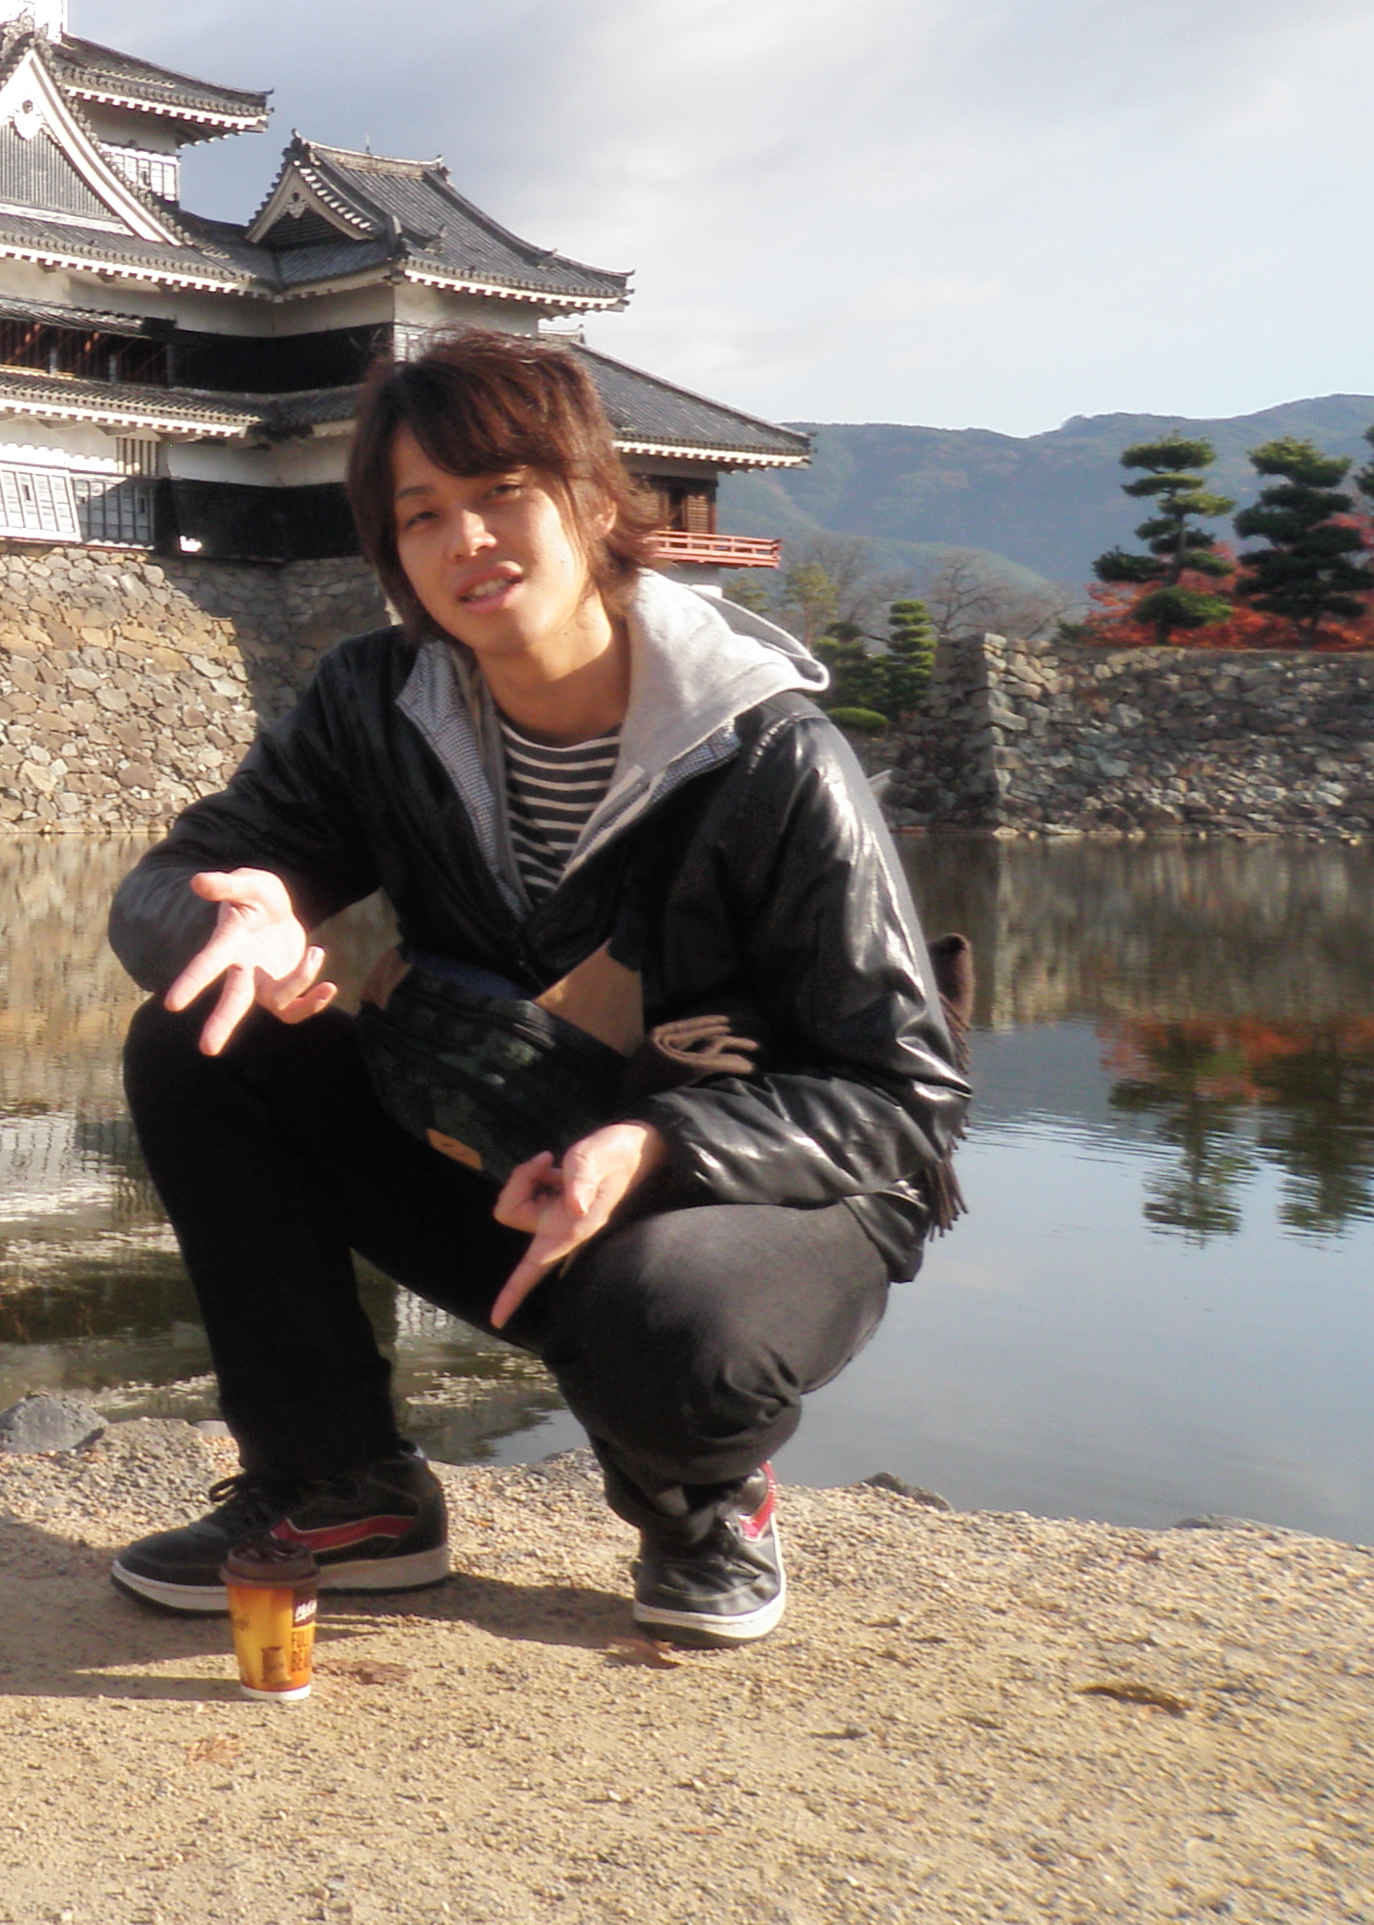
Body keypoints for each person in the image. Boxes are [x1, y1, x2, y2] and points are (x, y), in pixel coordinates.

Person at [104, 330, 968, 1643]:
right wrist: (238, 919)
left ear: (596, 502)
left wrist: (661, 1144)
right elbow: (170, 882)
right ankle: (341, 1485)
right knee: (199, 1040)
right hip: (513, 1138)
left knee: (665, 1322)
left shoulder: (765, 755)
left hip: (764, 1188)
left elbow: (904, 1096)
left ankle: (702, 1501)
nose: (468, 540)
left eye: (503, 493)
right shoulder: (378, 707)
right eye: (422, 514)